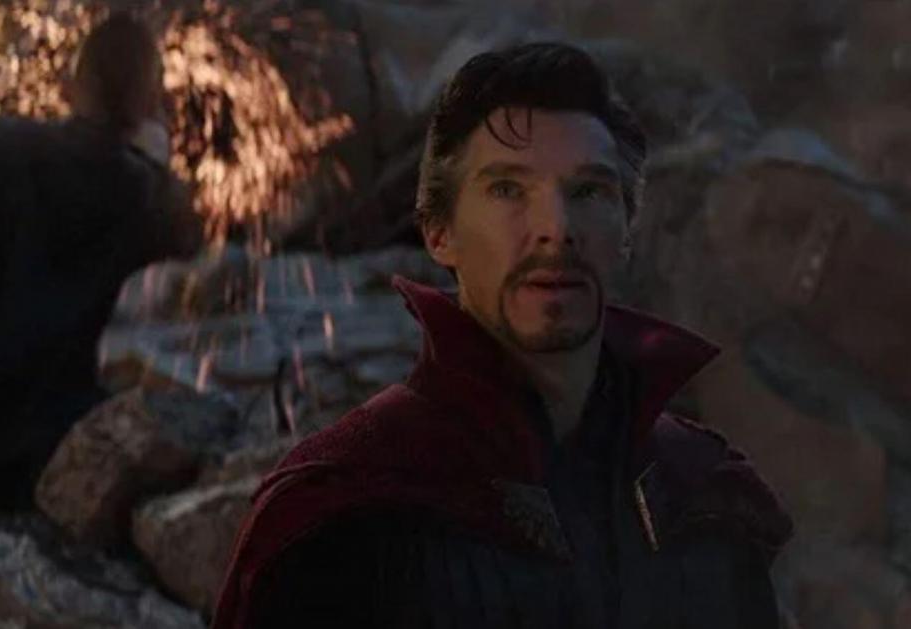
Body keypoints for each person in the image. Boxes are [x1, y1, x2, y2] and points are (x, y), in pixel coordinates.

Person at [211, 42, 794, 628]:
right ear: (439, 233)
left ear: (624, 229)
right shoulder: (344, 512)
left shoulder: (701, 496)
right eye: (508, 190)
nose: (556, 229)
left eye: (588, 191)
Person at [0, 12, 203, 610]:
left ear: (70, 83)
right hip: (63, 461)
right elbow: (190, 240)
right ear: (148, 101)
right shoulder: (148, 195)